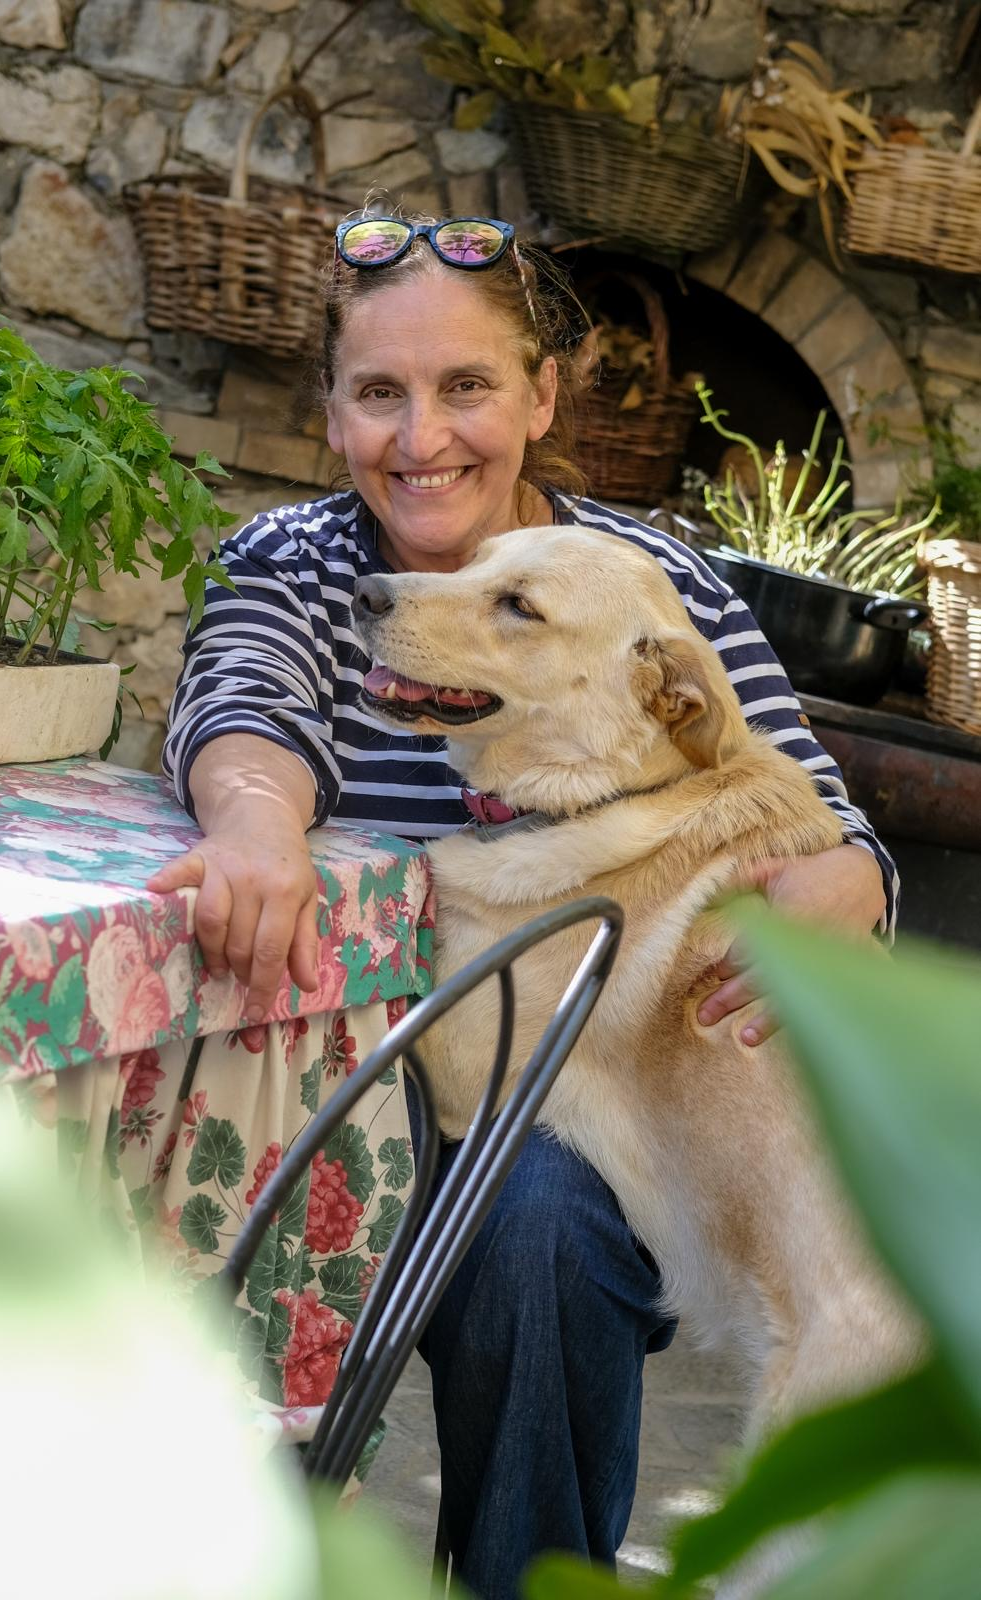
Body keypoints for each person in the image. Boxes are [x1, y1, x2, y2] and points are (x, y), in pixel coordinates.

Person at [149, 212, 896, 1600]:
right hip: (337, 1075)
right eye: (379, 392)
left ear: (541, 399)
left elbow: (792, 791)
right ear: (332, 411)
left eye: (465, 387)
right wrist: (255, 814)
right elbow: (241, 704)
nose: (419, 436)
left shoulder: (646, 583)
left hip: (554, 1101)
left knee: (543, 1227)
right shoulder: (302, 568)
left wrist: (846, 872)